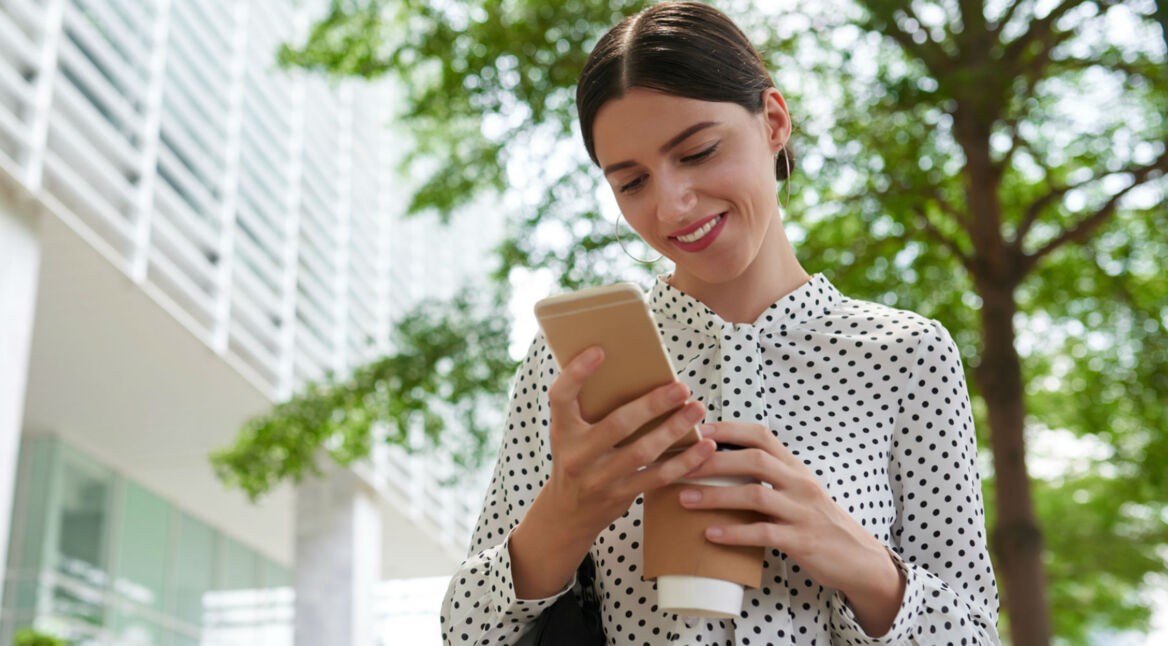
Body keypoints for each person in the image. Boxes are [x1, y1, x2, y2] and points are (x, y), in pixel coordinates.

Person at [441, 2, 1000, 644]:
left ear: (773, 121)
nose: (671, 204)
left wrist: (860, 561)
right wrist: (563, 518)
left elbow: (974, 633)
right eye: (631, 182)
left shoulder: (907, 358)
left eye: (699, 152)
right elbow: (465, 632)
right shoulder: (571, 363)